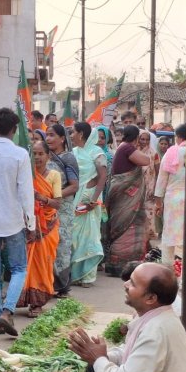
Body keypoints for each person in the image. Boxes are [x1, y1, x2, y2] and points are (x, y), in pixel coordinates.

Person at [0, 107, 35, 336]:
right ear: (14, 129)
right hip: (13, 219)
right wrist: (30, 222)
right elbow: (25, 191)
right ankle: (7, 311)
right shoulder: (20, 154)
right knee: (19, 267)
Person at [18, 141, 61, 317]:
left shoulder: (54, 175)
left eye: (41, 154)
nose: (37, 157)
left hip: (48, 225)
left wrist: (42, 198)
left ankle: (38, 303)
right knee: (27, 262)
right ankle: (25, 298)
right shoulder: (27, 174)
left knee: (43, 262)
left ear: (48, 156)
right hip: (29, 223)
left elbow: (58, 203)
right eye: (34, 154)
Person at [104, 125, 152, 277]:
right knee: (125, 226)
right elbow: (145, 160)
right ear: (136, 137)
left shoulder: (123, 147)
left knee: (130, 225)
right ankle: (121, 263)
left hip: (126, 196)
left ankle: (122, 262)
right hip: (125, 196)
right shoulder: (127, 148)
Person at [70, 121, 107, 287]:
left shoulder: (96, 152)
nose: (70, 135)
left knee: (89, 235)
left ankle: (88, 276)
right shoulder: (74, 152)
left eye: (73, 132)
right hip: (74, 197)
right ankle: (75, 274)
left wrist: (95, 199)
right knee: (74, 235)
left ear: (81, 134)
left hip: (90, 198)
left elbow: (102, 177)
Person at [45, 124, 79, 298]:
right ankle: (46, 284)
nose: (48, 138)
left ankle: (62, 285)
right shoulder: (43, 157)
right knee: (46, 244)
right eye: (46, 135)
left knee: (61, 244)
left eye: (51, 135)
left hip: (62, 207)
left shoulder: (68, 158)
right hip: (45, 208)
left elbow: (74, 186)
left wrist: (54, 197)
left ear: (62, 138)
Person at [154, 123, 186, 267]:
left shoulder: (172, 152)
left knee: (169, 234)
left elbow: (162, 180)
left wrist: (158, 203)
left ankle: (168, 268)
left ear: (178, 137)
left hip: (173, 198)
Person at [137, 128, 162, 240]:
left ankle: (147, 242)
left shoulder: (154, 154)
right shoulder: (134, 152)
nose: (145, 142)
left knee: (149, 214)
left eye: (147, 139)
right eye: (142, 139)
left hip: (150, 189)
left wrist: (156, 189)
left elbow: (158, 172)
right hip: (136, 189)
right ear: (138, 139)